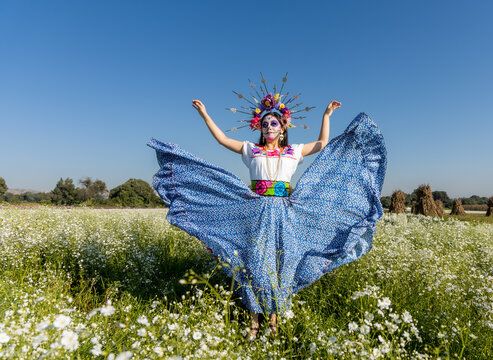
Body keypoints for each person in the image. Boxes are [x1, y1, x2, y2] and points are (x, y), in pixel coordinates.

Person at [148, 83, 386, 341]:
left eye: (274, 123)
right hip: (256, 212)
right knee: (255, 266)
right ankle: (253, 325)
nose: (269, 127)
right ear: (259, 128)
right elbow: (222, 139)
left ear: (283, 127)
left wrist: (326, 116)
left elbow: (322, 143)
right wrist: (205, 114)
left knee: (280, 268)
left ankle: (273, 325)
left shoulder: (294, 152)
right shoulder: (252, 150)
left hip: (285, 214)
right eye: (265, 124)